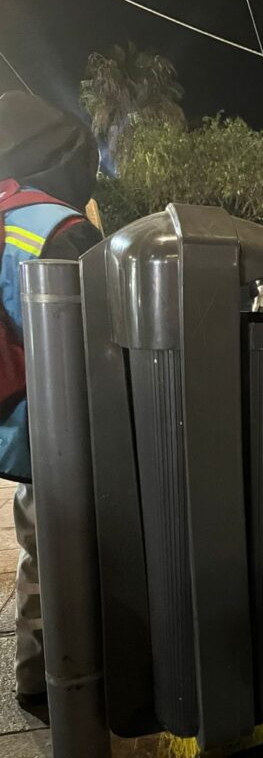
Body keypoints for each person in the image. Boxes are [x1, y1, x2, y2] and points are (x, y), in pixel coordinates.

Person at [0, 91, 102, 720]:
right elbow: (100, 332)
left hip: (16, 419)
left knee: (37, 544)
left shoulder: (5, 210)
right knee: (69, 548)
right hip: (62, 419)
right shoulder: (56, 224)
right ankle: (71, 675)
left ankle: (34, 672)